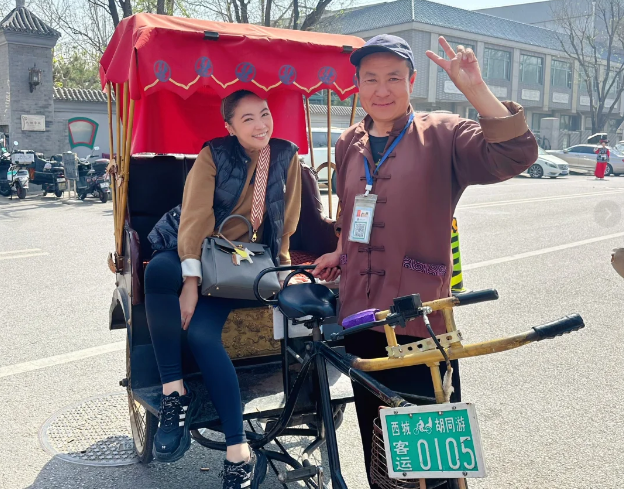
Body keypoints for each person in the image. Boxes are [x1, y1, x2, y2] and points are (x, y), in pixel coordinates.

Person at [313, 34, 538, 488]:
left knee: (430, 446)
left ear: (411, 82)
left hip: (421, 315)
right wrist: (341, 248)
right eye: (371, 79)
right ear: (357, 85)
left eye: (394, 78)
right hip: (360, 311)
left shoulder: (444, 134)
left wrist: (475, 90)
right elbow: (354, 209)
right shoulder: (348, 143)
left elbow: (515, 154)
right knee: (378, 436)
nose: (382, 89)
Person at [143, 89, 302, 489]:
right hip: (194, 243)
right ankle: (173, 391)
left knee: (199, 333)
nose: (260, 124)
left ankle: (237, 449)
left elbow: (287, 221)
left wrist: (282, 270)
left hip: (243, 258)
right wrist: (192, 283)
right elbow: (195, 219)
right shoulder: (214, 153)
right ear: (229, 127)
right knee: (159, 274)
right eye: (247, 119)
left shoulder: (285, 155)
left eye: (264, 114)